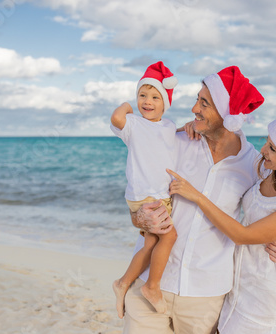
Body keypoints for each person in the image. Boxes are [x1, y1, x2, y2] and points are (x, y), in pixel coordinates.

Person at [122, 66, 276, 334]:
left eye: (204, 103)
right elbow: (139, 189)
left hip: (206, 296)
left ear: (228, 115)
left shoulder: (254, 163)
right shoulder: (175, 141)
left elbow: (272, 208)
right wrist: (138, 217)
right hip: (151, 283)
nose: (194, 108)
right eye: (197, 99)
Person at [168, 109, 276, 333]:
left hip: (262, 293)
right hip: (234, 282)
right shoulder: (268, 172)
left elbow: (243, 236)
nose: (263, 150)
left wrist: (197, 196)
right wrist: (193, 127)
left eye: (272, 148)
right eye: (267, 143)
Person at [110, 61, 179, 318]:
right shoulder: (134, 125)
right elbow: (117, 118)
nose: (147, 102)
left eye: (154, 96)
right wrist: (128, 106)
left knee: (151, 243)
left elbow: (174, 136)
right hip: (145, 195)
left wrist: (190, 128)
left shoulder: (168, 126)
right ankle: (152, 287)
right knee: (169, 237)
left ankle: (122, 283)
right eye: (142, 95)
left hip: (159, 195)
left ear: (165, 103)